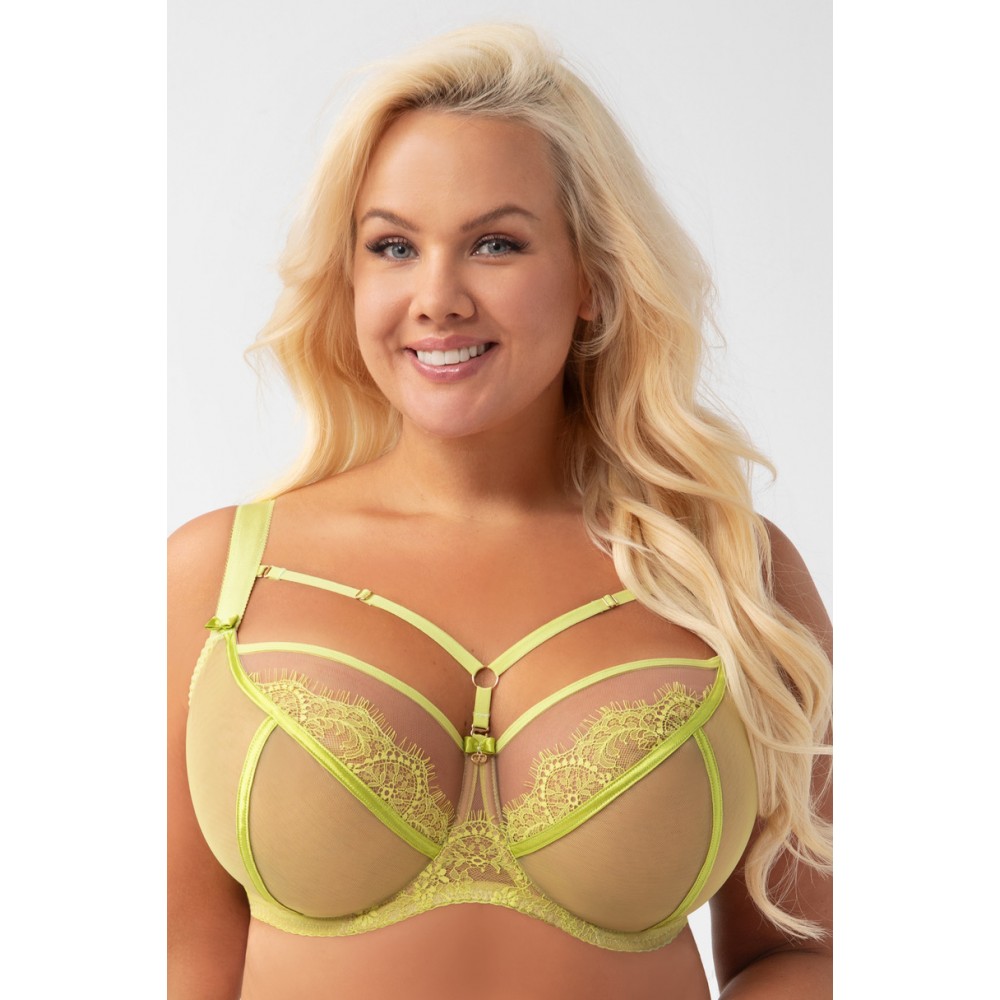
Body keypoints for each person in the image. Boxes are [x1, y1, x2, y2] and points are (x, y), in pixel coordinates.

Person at [167, 23, 832, 1000]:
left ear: (593, 279)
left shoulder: (732, 572)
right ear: (351, 278)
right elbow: (180, 961)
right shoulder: (219, 578)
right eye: (393, 246)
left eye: (495, 244)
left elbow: (806, 953)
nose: (437, 297)